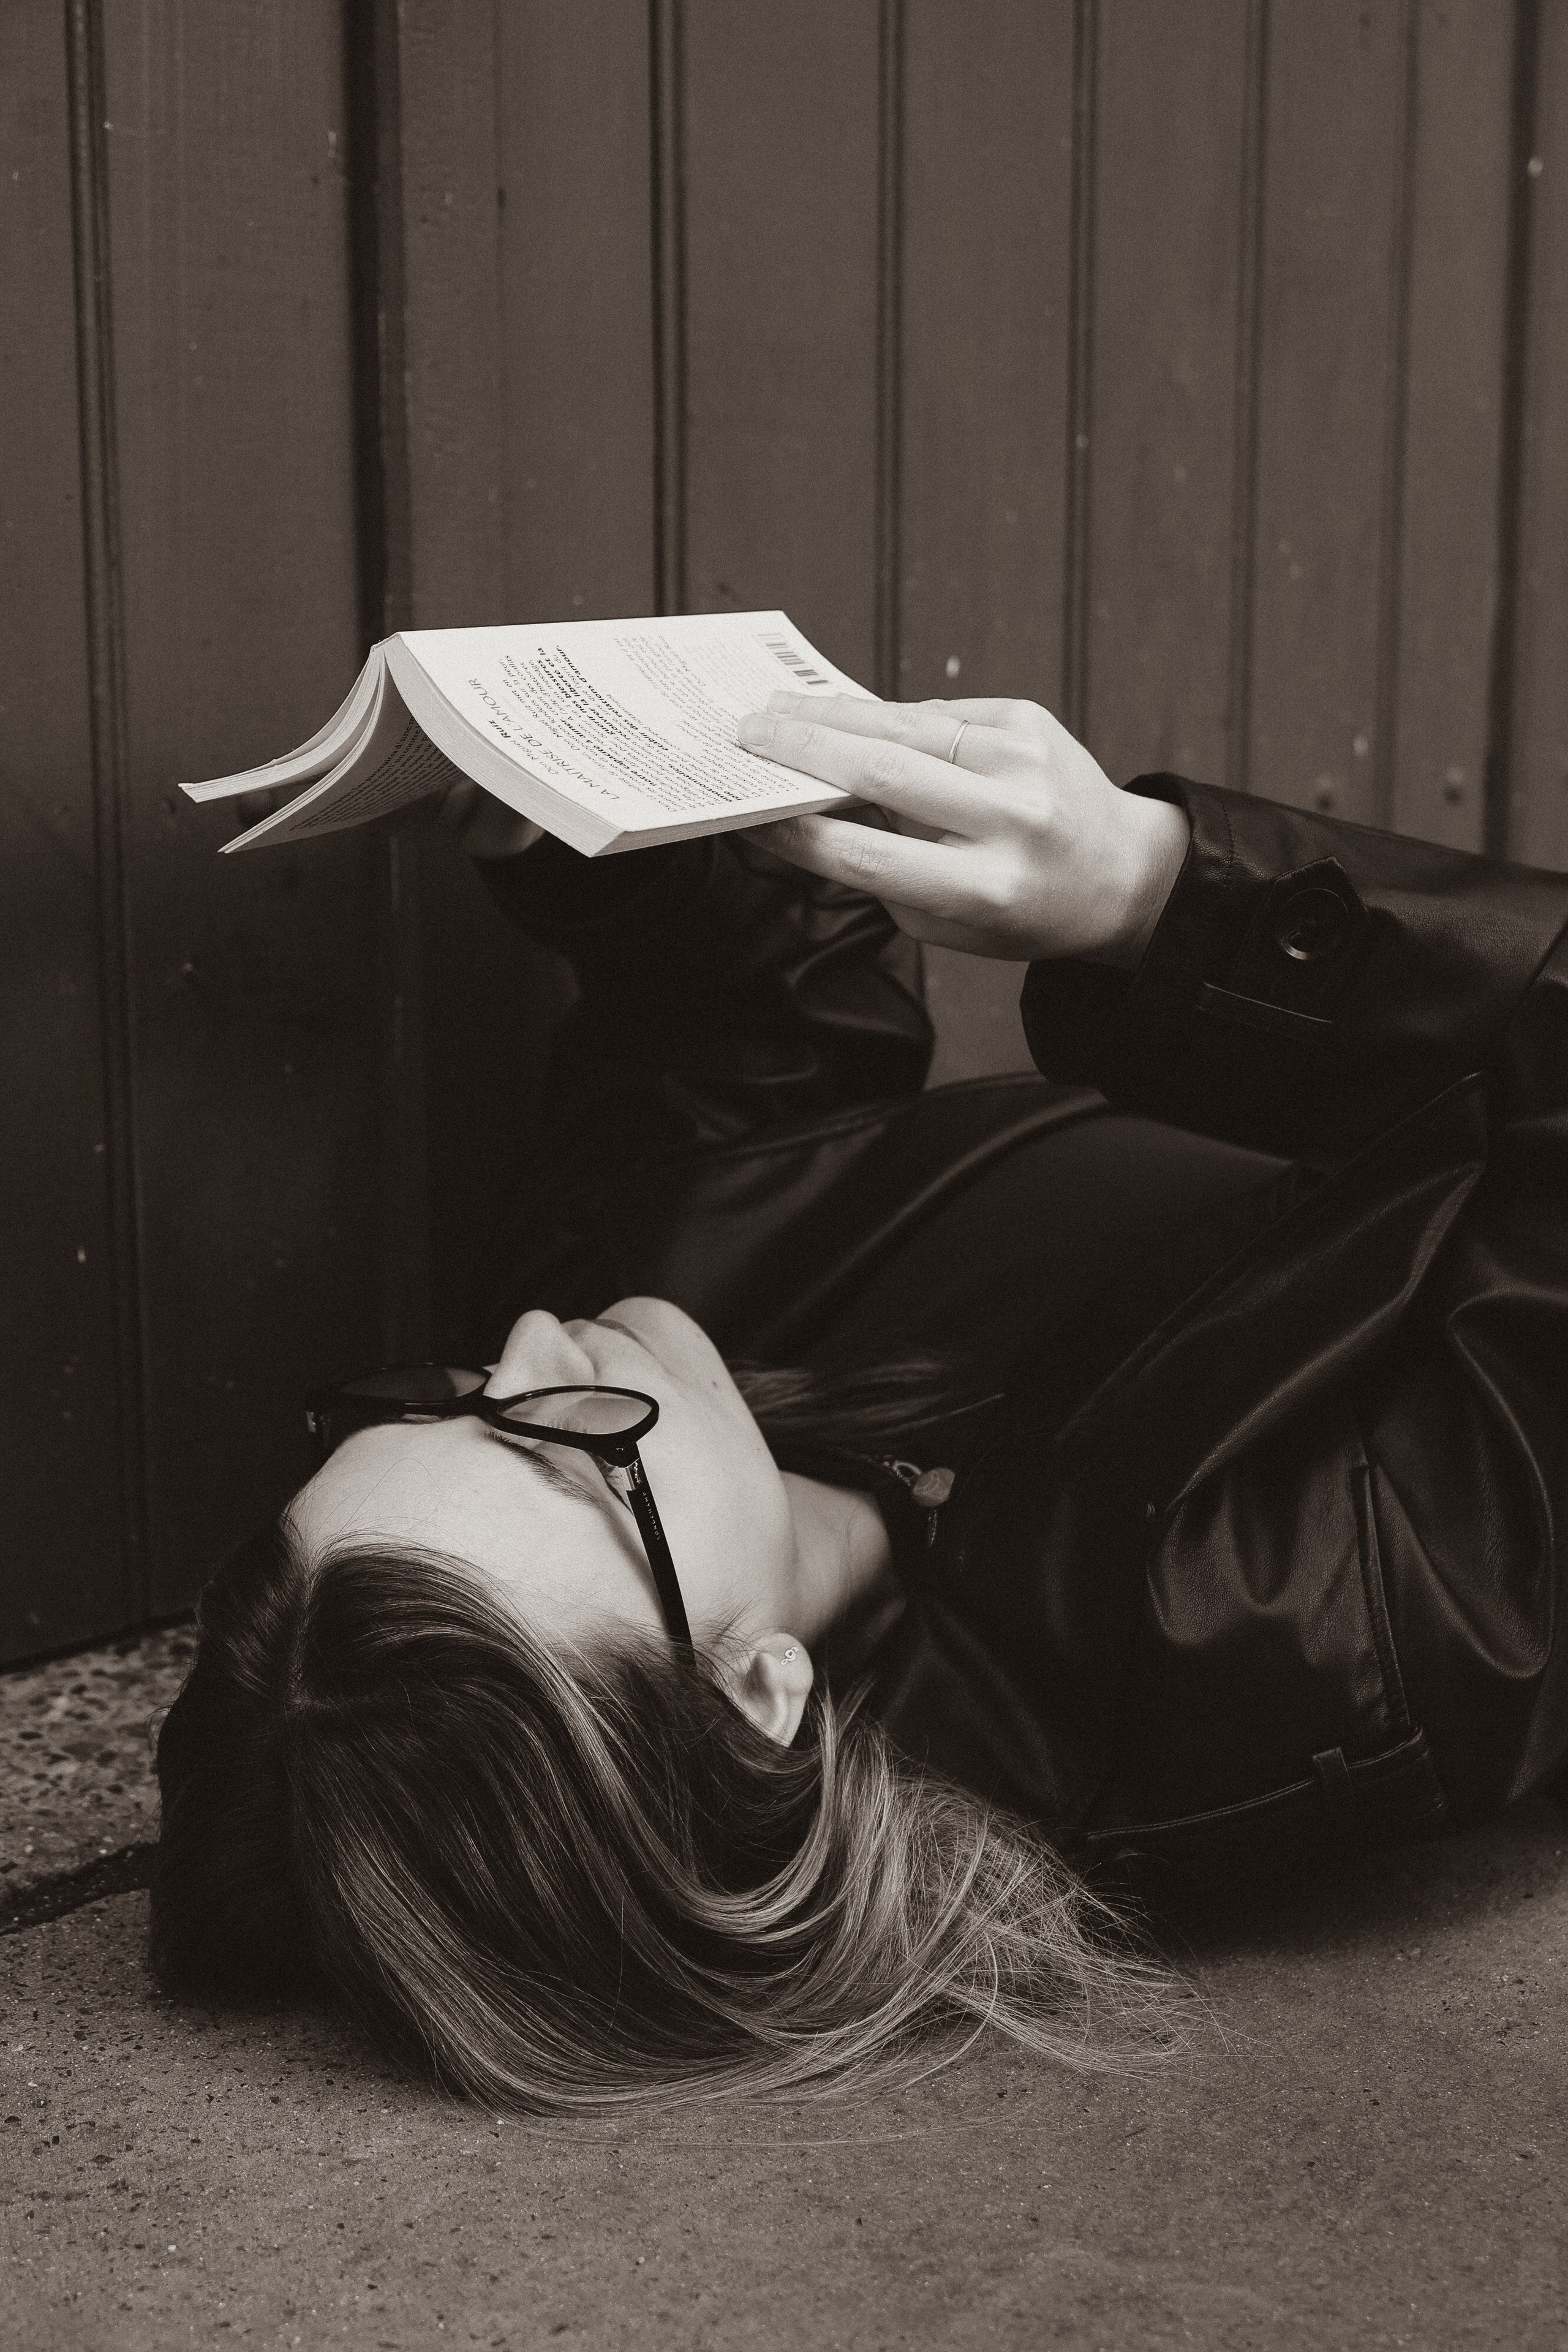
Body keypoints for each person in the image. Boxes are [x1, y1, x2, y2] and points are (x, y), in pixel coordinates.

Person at [152, 689, 1568, 2111]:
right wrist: (1164, 898)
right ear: (751, 1691)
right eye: (557, 1452)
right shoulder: (1299, 1625)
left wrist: (582, 826)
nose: (526, 1343)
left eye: (442, 1403)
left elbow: (758, 1074)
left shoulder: (657, 1384)